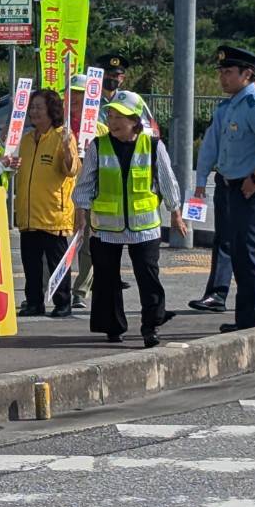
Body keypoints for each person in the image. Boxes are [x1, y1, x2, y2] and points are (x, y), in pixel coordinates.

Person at [73, 97, 185, 348]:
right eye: (111, 117)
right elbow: (85, 182)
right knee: (106, 278)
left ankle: (151, 326)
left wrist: (175, 211)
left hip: (144, 225)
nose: (113, 123)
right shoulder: (98, 146)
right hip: (106, 227)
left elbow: (167, 180)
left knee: (148, 275)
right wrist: (81, 209)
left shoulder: (153, 145)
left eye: (119, 118)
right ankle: (112, 327)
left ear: (135, 121)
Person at [191, 46, 255, 333]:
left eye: (229, 72)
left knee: (249, 255)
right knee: (241, 255)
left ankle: (254, 322)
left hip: (251, 190)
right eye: (221, 72)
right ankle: (246, 319)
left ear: (247, 74)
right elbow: (213, 146)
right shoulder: (233, 105)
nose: (223, 78)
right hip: (232, 186)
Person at [13, 89, 80, 318]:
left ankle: (63, 302)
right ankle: (33, 302)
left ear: (52, 111)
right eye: (32, 107)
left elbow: (71, 171)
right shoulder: (27, 140)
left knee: (56, 263)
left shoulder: (64, 136)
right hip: (28, 214)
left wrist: (68, 154)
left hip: (53, 214)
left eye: (39, 107)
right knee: (30, 263)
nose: (34, 112)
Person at [96, 54, 160, 136]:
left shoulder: (132, 100)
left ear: (122, 79)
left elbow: (153, 131)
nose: (111, 78)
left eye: (115, 75)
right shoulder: (88, 100)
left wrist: (128, 129)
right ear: (99, 75)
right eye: (107, 74)